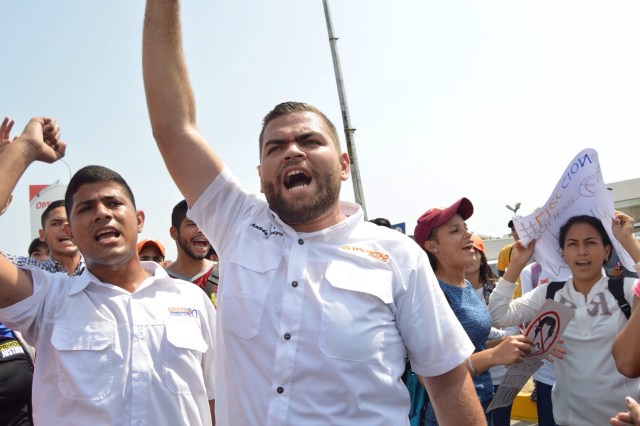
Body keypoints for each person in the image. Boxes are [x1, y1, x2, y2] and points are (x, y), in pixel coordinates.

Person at [142, 2, 486, 424]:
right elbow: (174, 127)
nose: (291, 150)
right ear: (260, 174)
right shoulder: (237, 223)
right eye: (275, 147)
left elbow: (449, 382)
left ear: (343, 163)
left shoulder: (398, 256)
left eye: (308, 140)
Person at [0, 117, 216, 425]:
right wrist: (24, 149)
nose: (101, 213)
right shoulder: (49, 300)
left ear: (139, 220)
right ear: (70, 233)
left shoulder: (192, 301)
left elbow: (215, 402)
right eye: (86, 208)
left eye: (113, 203)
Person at [489, 212, 640, 426]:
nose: (582, 251)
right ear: (563, 253)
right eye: (572, 244)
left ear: (606, 251)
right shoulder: (549, 293)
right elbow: (498, 315)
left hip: (625, 418)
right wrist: (516, 264)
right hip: (568, 419)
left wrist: (628, 240)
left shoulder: (624, 290)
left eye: (590, 242)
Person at [414, 198, 532, 425]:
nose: (468, 234)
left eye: (466, 228)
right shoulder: (432, 294)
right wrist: (495, 356)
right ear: (432, 246)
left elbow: (469, 347)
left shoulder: (465, 286)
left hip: (482, 404)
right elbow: (428, 375)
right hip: (451, 414)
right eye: (455, 230)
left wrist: (511, 343)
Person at [465, 234, 521, 426]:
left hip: (503, 376)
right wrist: (497, 342)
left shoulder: (499, 289)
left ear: (482, 257)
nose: (470, 258)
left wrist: (481, 340)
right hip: (472, 376)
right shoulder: (452, 294)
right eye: (465, 252)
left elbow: (514, 333)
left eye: (475, 252)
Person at [520, 259, 565, 426]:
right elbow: (525, 316)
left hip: (582, 371)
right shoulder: (531, 272)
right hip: (546, 372)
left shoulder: (583, 266)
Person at [165, 200, 217, 299]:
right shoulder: (159, 281)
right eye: (193, 224)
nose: (201, 230)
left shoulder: (227, 275)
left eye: (205, 224)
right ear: (174, 233)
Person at [497, 219, 522, 297]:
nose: (515, 232)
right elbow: (501, 270)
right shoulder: (506, 251)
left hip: (540, 300)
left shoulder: (539, 248)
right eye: (513, 229)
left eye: (518, 228)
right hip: (517, 301)